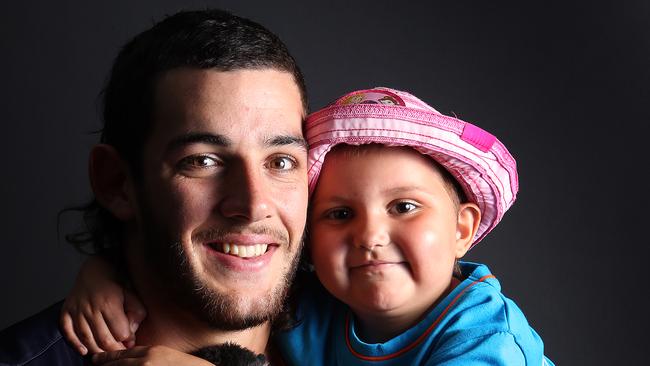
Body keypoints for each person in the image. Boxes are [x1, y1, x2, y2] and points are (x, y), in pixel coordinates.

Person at [61, 87, 555, 365]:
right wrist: (106, 272)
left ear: (462, 230)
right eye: (339, 214)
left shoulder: (485, 341)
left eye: (404, 207)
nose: (369, 235)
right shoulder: (314, 301)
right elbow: (217, 270)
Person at [0, 8, 309, 366]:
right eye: (203, 161)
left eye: (281, 162)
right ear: (116, 183)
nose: (254, 205)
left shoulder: (355, 330)